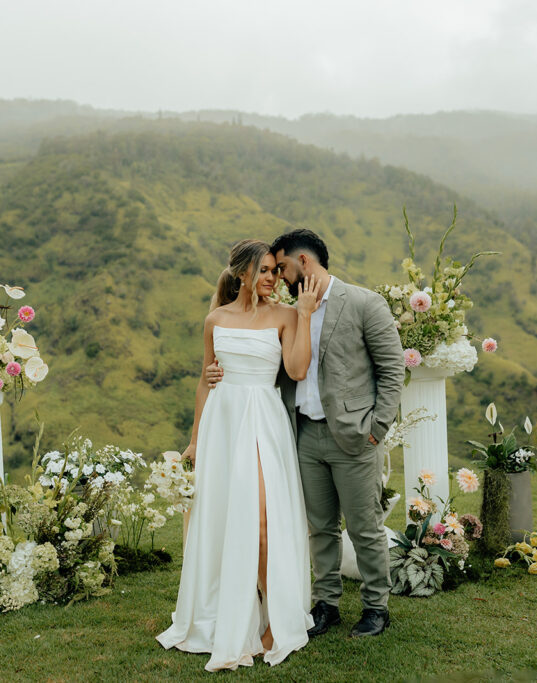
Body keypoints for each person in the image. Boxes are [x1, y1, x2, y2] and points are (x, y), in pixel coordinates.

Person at [208, 228, 404, 638]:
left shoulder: (365, 304)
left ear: (304, 263)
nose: (278, 277)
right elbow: (272, 362)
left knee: (364, 527)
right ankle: (326, 604)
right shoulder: (291, 309)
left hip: (353, 437)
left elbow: (392, 372)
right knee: (320, 527)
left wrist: (375, 431)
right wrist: (220, 370)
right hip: (303, 434)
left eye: (281, 267)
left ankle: (375, 608)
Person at [156, 239, 322, 671]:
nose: (272, 278)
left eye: (274, 270)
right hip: (223, 426)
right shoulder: (216, 319)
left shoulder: (286, 314)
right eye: (264, 271)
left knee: (264, 520)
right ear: (243, 273)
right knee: (226, 517)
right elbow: (205, 381)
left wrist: (303, 315)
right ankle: (227, 611)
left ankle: (271, 620)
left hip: (264, 422)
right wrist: (194, 440)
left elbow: (298, 370)